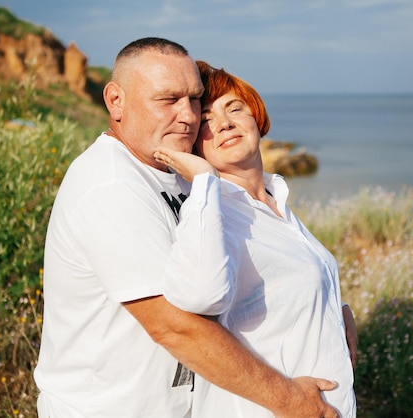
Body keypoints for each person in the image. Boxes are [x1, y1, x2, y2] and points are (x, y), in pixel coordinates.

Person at [33, 37, 343, 417]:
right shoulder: (110, 184)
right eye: (168, 99)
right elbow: (176, 327)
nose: (189, 116)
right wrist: (291, 401)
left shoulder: (179, 176)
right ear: (116, 101)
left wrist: (333, 312)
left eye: (194, 99)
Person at [153, 60, 357, 417]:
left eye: (235, 108)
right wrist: (203, 181)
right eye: (206, 122)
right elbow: (201, 298)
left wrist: (340, 312)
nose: (225, 123)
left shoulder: (276, 201)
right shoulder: (213, 215)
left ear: (256, 118)